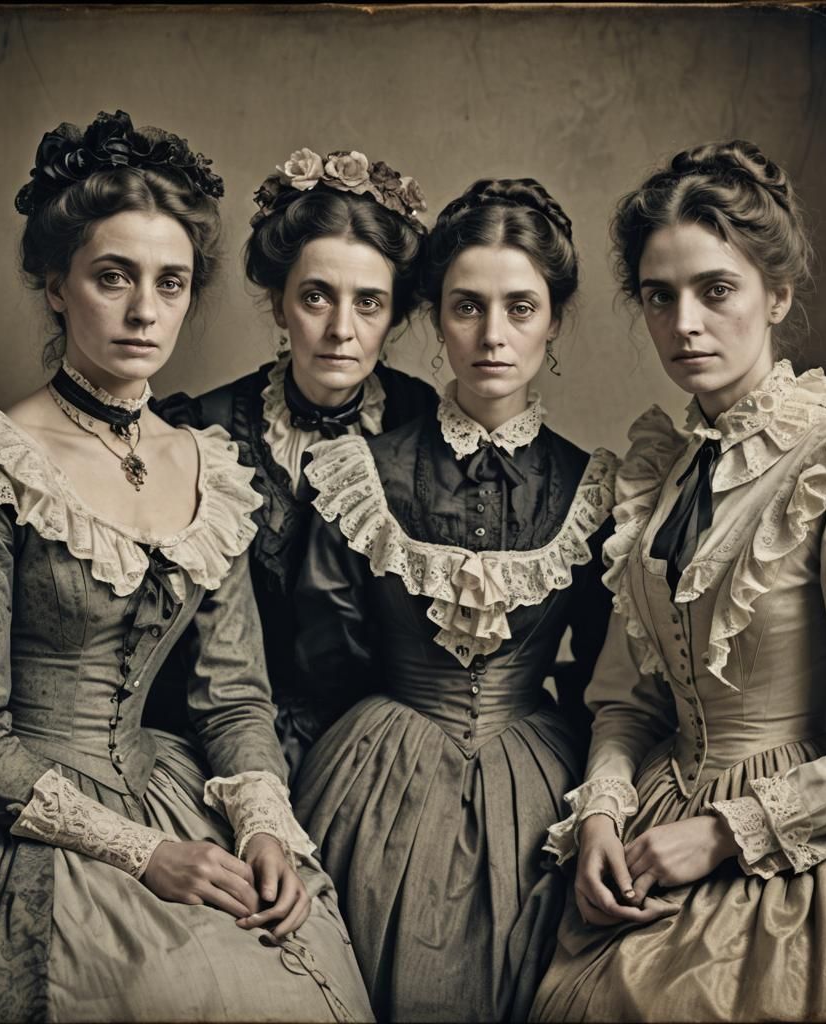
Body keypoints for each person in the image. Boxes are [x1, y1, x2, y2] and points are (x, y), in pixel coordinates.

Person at [0, 110, 372, 1023]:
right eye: (112, 277)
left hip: (168, 788)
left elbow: (233, 697)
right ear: (55, 286)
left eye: (171, 282)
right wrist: (144, 854)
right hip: (22, 816)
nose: (145, 311)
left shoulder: (206, 467)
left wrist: (263, 827)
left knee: (289, 960)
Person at [532, 140, 826, 1022]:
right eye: (659, 296)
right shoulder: (661, 478)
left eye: (716, 290)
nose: (685, 324)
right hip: (658, 813)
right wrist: (602, 814)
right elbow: (628, 700)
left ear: (776, 295)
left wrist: (721, 833)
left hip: (809, 848)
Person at [290, 178, 620, 1023]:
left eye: (521, 307)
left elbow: (606, 672)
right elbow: (326, 656)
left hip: (541, 778)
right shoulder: (359, 472)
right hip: (376, 775)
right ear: (437, 316)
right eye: (467, 307)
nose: (493, 336)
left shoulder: (593, 486)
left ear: (555, 318)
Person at [151, 148, 438, 779]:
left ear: (394, 313)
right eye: (316, 297)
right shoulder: (202, 429)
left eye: (369, 302)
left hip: (383, 748)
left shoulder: (429, 425)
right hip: (225, 736)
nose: (341, 329)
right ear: (280, 305)